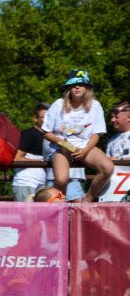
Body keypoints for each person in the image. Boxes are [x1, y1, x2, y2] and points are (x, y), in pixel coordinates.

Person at [41, 69, 113, 202]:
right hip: (61, 147)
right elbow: (46, 132)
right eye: (73, 84)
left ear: (87, 88)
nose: (77, 87)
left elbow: (97, 133)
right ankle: (60, 204)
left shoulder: (95, 105)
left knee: (108, 168)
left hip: (86, 146)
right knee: (61, 178)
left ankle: (89, 197)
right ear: (68, 88)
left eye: (81, 84)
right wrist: (65, 145)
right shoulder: (58, 104)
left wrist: (85, 150)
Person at [11, 104, 49, 202]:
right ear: (35, 119)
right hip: (26, 183)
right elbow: (17, 158)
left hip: (41, 185)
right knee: (26, 216)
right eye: (43, 117)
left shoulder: (49, 137)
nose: (47, 119)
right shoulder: (29, 134)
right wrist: (39, 162)